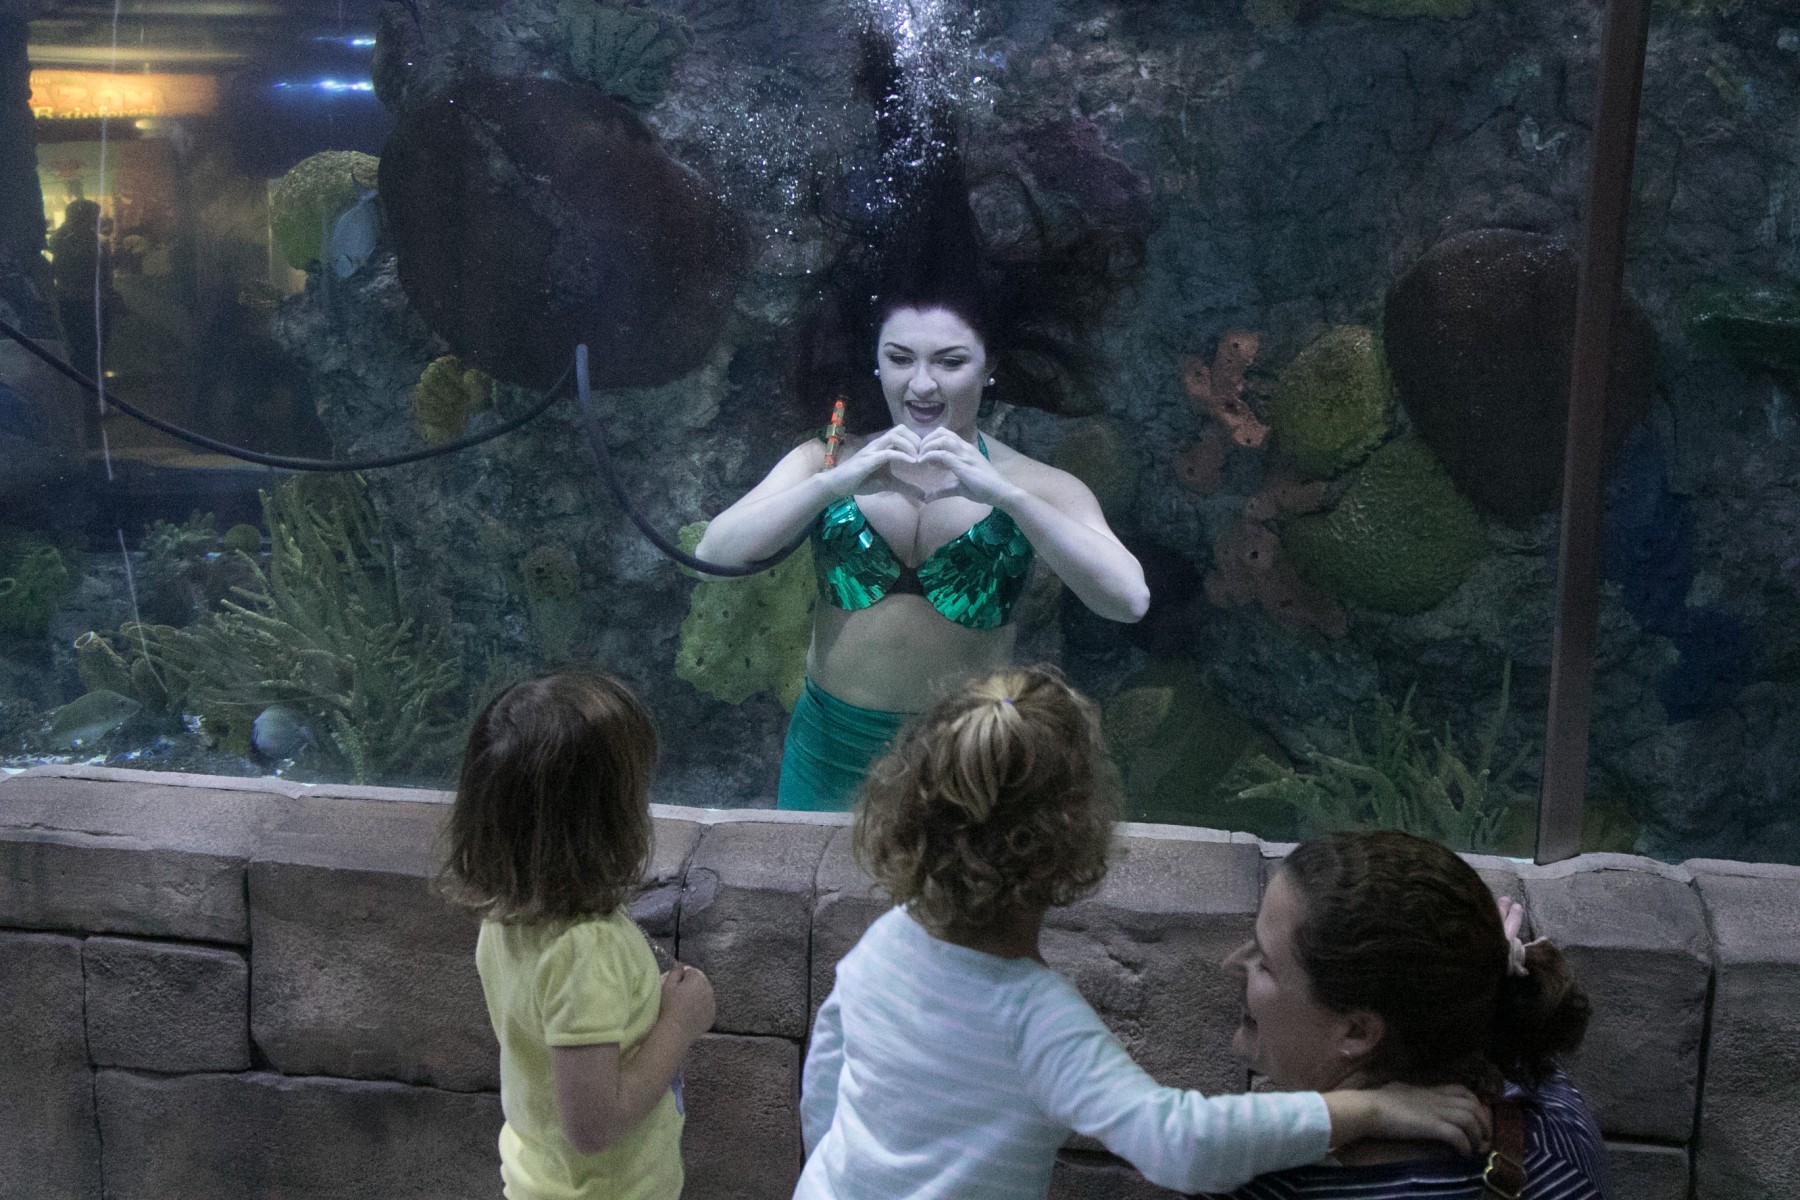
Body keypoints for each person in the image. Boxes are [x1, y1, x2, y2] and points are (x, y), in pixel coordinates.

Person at [797, 667, 1491, 1199]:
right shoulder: (1036, 1021)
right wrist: (1365, 1106)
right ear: (1077, 839)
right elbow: (1178, 1143)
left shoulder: (882, 944)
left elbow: (825, 1084)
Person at [1202, 829, 1604, 1199]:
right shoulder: (1559, 1131)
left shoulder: (1261, 1185)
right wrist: (1478, 963)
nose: (1233, 963)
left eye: (1265, 964)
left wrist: (1367, 1112)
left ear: (1357, 1031)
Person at [440, 673, 715, 1200]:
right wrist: (680, 1024)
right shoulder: (587, 950)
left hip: (540, 1180)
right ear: (607, 821)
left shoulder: (507, 914)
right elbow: (594, 1126)